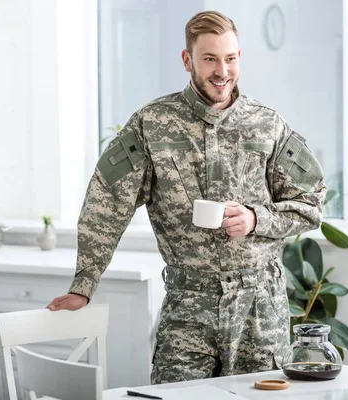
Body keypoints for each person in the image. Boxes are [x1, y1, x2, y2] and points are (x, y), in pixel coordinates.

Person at [46, 10, 327, 384]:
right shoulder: (151, 124)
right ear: (187, 60)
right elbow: (105, 204)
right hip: (188, 307)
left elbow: (311, 205)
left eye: (230, 58)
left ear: (239, 57)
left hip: (260, 308)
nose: (222, 71)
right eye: (210, 58)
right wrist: (84, 284)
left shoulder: (268, 124)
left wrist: (257, 219)